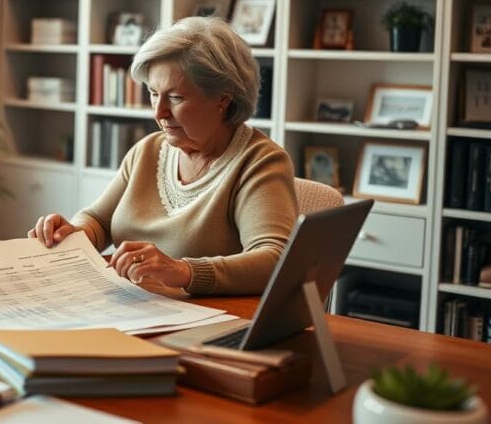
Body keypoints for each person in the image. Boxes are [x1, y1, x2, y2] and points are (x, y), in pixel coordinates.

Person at [29, 16, 297, 296]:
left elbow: (276, 259)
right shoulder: (148, 151)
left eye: (176, 98)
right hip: (129, 307)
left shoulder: (259, 162)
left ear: (223, 98)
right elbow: (99, 220)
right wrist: (72, 233)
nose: (159, 113)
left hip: (205, 322)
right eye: (154, 94)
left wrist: (183, 270)